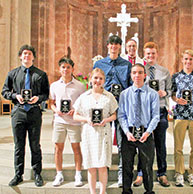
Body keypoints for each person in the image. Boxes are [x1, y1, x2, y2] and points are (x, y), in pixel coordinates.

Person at [1, 44, 49, 186]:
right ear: (20, 56)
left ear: (33, 57)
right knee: (18, 145)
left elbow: (46, 94)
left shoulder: (40, 75)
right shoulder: (12, 74)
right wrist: (15, 96)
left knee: (35, 145)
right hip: (19, 112)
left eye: (29, 54)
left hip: (34, 112)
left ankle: (37, 174)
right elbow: (4, 92)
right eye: (24, 54)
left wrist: (38, 99)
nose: (27, 56)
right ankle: (18, 174)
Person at [93, 35, 132, 187]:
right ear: (107, 45)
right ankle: (103, 173)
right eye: (111, 44)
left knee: (123, 143)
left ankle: (122, 174)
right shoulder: (99, 63)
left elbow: (130, 85)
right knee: (103, 141)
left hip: (122, 105)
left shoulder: (126, 65)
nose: (114, 47)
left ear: (120, 47)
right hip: (104, 106)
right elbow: (94, 84)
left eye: (117, 44)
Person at [132, 42, 172, 187]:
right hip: (144, 113)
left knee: (161, 144)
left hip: (160, 111)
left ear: (157, 54)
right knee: (142, 144)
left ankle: (162, 174)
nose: (150, 56)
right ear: (144, 54)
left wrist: (164, 93)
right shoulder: (140, 71)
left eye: (153, 53)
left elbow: (170, 90)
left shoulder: (164, 71)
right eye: (148, 53)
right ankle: (141, 174)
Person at [73, 68, 118, 194]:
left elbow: (114, 115)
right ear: (91, 79)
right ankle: (93, 192)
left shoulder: (109, 97)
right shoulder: (84, 97)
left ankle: (102, 191)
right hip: (89, 133)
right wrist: (86, 119)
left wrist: (106, 119)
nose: (98, 81)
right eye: (95, 78)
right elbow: (75, 116)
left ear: (104, 80)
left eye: (100, 78)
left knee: (103, 165)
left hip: (104, 133)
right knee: (91, 165)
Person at [118, 63, 160, 194]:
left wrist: (148, 132)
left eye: (140, 72)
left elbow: (156, 116)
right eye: (134, 72)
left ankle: (148, 190)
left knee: (147, 165)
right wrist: (126, 132)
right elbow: (121, 115)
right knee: (127, 164)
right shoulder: (124, 94)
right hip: (129, 132)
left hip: (146, 132)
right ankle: (126, 190)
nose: (137, 75)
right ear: (131, 75)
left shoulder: (152, 94)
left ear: (145, 75)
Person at [171, 49, 193, 187]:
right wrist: (176, 99)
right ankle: (179, 173)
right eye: (185, 59)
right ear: (182, 60)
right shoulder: (176, 76)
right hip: (180, 115)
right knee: (178, 148)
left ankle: (192, 174)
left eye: (190, 59)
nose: (188, 61)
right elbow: (172, 94)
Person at [49, 57, 85, 187]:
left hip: (73, 121)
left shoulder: (80, 86)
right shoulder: (54, 85)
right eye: (63, 67)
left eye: (68, 67)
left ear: (72, 69)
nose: (65, 69)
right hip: (59, 121)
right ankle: (59, 174)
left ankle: (78, 174)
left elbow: (82, 103)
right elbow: (51, 103)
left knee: (76, 148)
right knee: (58, 148)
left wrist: (75, 109)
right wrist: (56, 110)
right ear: (60, 69)